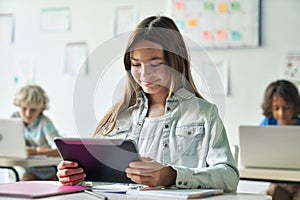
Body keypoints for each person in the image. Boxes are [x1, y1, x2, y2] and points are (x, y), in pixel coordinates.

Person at [57, 15, 239, 191]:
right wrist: (76, 176)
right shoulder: (120, 117)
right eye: (136, 65)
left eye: (155, 64)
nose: (144, 75)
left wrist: (172, 176)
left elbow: (229, 176)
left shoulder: (204, 114)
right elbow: (97, 180)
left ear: (174, 62)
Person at [260, 79, 300, 200]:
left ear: (294, 106)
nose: (281, 113)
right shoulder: (268, 123)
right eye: (276, 108)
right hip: (278, 182)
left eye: (286, 107)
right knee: (273, 193)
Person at [12, 84, 61, 181]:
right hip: (28, 172)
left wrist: (36, 151)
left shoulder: (45, 122)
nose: (27, 114)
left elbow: (59, 149)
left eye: (33, 110)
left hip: (49, 172)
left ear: (41, 109)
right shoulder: (14, 119)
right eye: (24, 108)